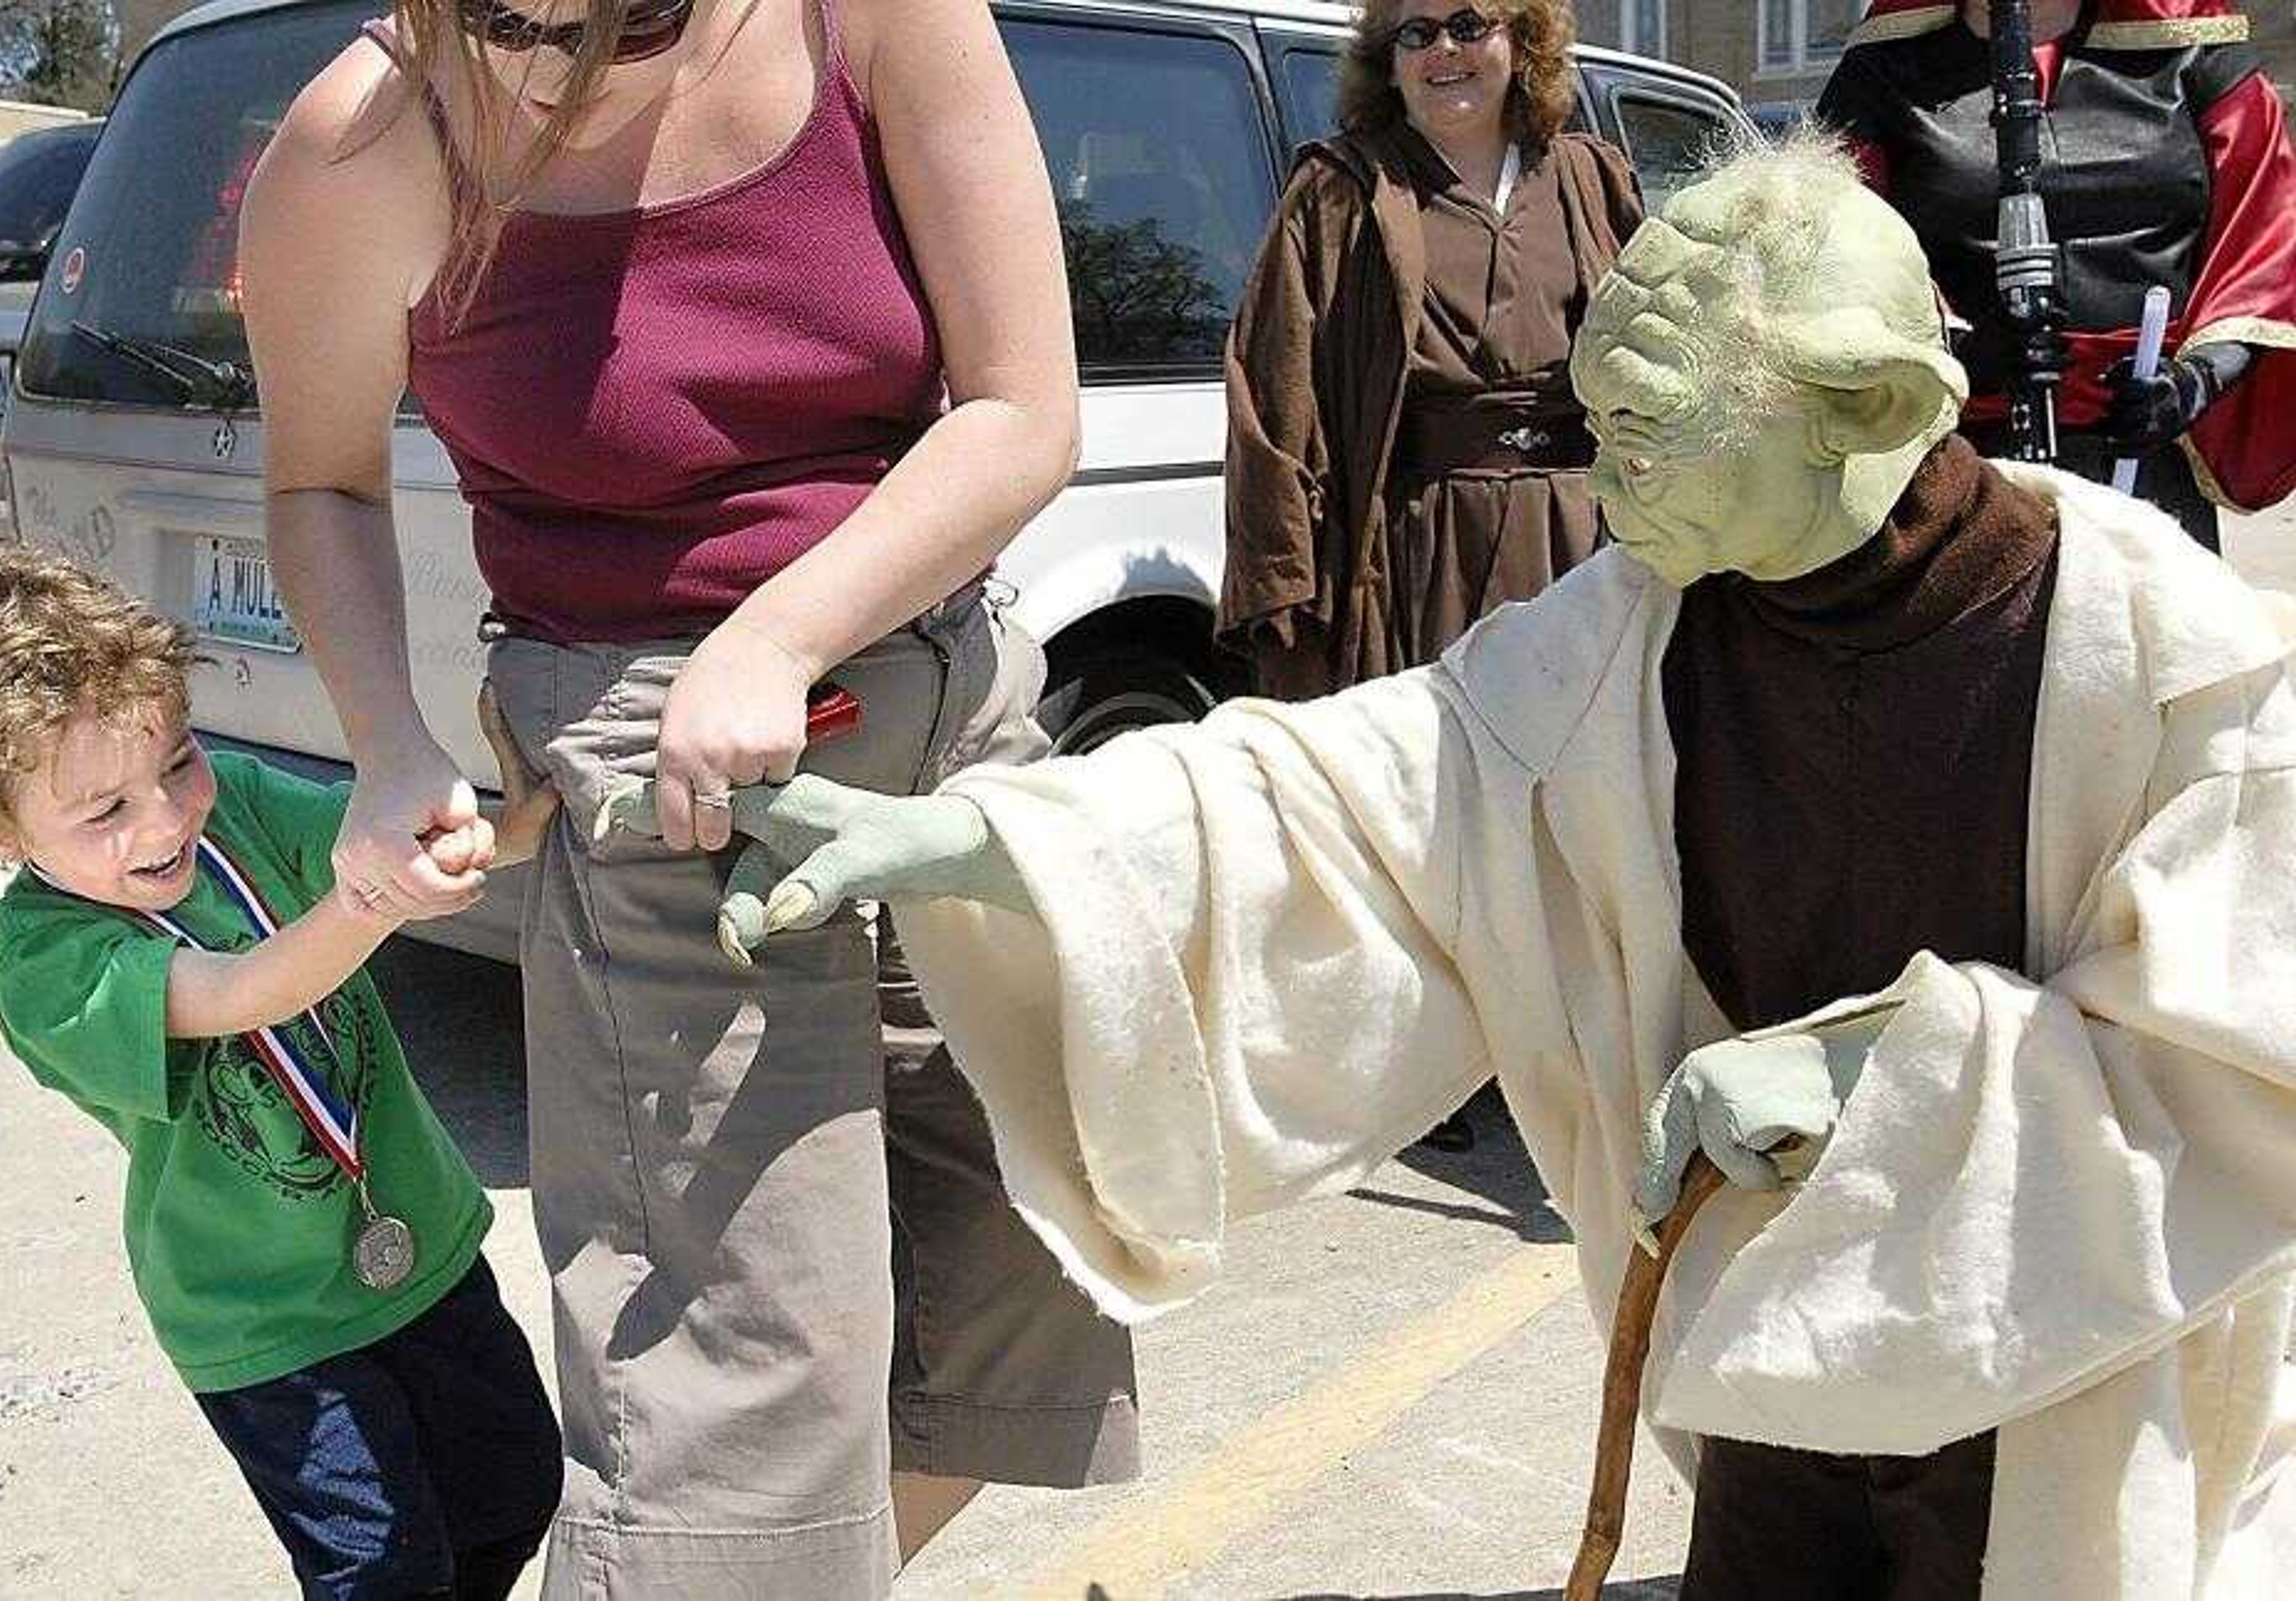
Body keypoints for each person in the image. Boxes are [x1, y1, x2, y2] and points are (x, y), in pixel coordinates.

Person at [712, 138, 2296, 1596]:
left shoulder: (2159, 663)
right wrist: (990, 836)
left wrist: (1874, 1070)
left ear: (1868, 410)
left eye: (1656, 438)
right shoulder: (1638, 624)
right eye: (1595, 436)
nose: (1604, 495)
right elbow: (1354, 790)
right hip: (1765, 1309)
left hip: (2048, 1342)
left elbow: (2234, 1052)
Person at [236, 0, 1139, 1592]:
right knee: (739, 1379)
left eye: (625, 24)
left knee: (1025, 1275)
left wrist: (781, 631)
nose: (540, 70)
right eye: (497, 21)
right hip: (662, 786)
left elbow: (1021, 407)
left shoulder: (880, 22)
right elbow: (321, 479)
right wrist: (386, 743)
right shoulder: (363, 138)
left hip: (941, 722)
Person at [0, 549, 565, 1600]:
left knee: (513, 1488)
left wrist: (503, 827)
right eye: (103, 812)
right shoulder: (44, 963)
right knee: (379, 1568)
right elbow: (246, 992)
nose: (163, 817)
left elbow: (379, 837)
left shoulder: (233, 802)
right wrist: (378, 896)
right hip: (264, 1321)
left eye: (178, 760)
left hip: (418, 1244)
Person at [1222, 0, 1645, 701]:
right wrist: (1285, 581)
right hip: (1419, 558)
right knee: (1435, 786)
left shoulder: (1590, 179)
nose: (1443, 50)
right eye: (1415, 34)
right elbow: (1274, 398)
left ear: (1524, 40)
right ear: (1387, 62)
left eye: (1470, 24)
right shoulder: (1339, 193)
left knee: (1582, 790)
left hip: (1584, 550)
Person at [1817, 0, 2296, 549]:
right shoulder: (1883, 67)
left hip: (2147, 461)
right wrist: (1956, 346)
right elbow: (1831, 244)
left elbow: (2267, 238)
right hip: (1959, 470)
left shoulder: (2196, 49)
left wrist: (2196, 380)